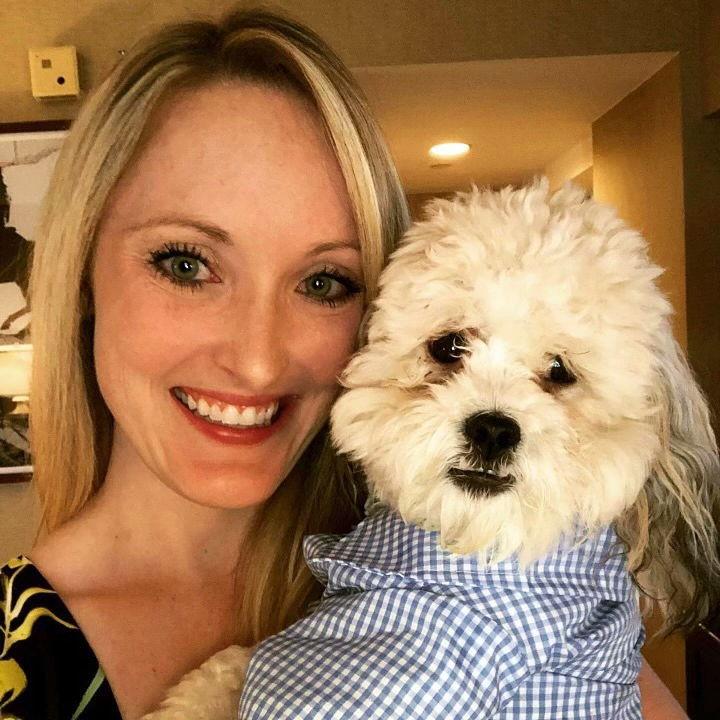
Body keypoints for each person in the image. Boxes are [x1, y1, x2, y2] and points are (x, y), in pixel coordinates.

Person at [0, 7, 688, 719]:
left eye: (325, 282)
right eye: (186, 264)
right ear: (80, 275)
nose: (258, 360)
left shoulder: (509, 574)